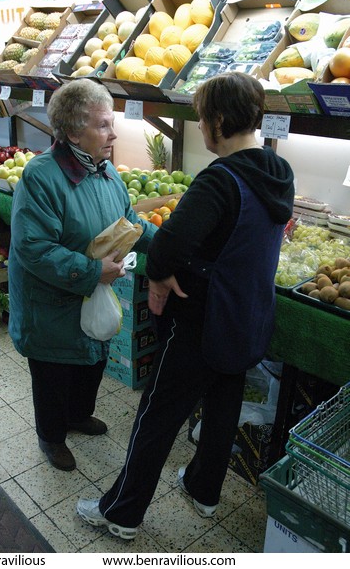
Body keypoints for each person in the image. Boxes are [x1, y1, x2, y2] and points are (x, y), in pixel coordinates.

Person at [77, 71, 295, 539]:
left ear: (218, 119)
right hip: (248, 316)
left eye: (200, 118)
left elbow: (170, 243)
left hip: (202, 320)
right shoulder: (279, 173)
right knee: (223, 404)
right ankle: (204, 489)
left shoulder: (221, 179)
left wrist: (159, 276)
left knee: (157, 415)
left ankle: (121, 512)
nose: (199, 127)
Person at [8, 79, 157, 472]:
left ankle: (77, 416)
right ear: (74, 131)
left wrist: (170, 246)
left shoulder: (106, 173)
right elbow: (34, 248)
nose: (114, 133)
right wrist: (93, 272)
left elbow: (131, 223)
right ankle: (52, 437)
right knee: (54, 374)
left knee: (91, 362)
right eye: (104, 125)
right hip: (51, 307)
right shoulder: (41, 176)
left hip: (91, 298)